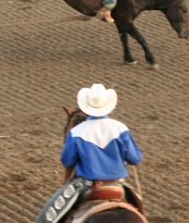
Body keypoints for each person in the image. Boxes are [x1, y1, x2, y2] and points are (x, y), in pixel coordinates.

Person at [36, 83, 143, 223]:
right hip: (117, 186)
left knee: (46, 218)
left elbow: (67, 161)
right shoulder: (120, 128)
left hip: (86, 185)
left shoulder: (77, 132)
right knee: (140, 209)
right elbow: (135, 158)